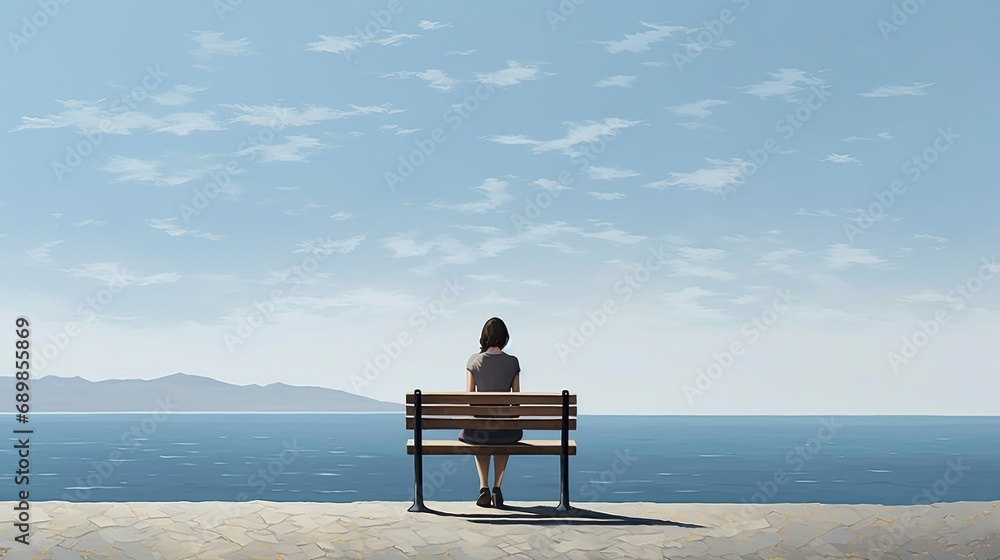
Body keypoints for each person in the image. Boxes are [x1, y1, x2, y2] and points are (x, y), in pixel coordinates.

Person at [459, 317, 521, 508]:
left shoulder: (473, 361)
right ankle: (497, 488)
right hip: (506, 430)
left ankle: (483, 487)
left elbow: (470, 400)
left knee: (479, 434)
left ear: (484, 337)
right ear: (504, 338)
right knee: (504, 436)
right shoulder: (513, 362)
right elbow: (517, 402)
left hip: (479, 430)